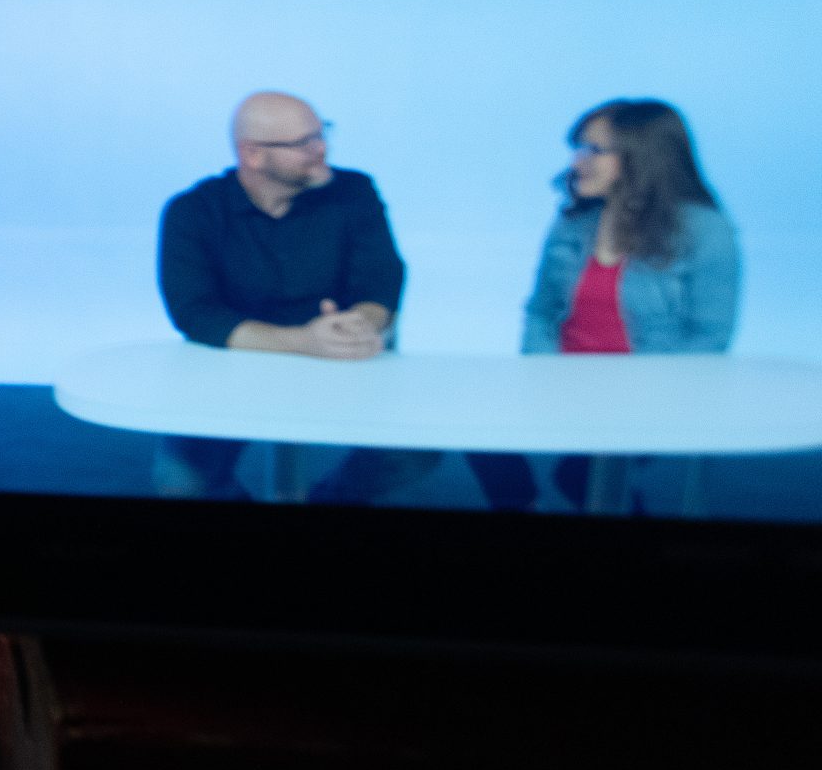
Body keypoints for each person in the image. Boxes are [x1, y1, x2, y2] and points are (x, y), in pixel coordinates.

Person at [153, 92, 439, 504]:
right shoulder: (192, 212)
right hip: (236, 365)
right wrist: (302, 342)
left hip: (344, 360)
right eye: (303, 143)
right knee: (181, 480)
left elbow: (381, 278)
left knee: (413, 454)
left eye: (321, 135)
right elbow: (194, 311)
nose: (321, 149)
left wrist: (362, 323)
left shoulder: (354, 191)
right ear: (252, 154)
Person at [468, 99, 741, 511]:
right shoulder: (575, 222)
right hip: (564, 384)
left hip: (648, 396)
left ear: (641, 156)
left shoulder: (705, 230)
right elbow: (541, 311)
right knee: (474, 424)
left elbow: (709, 339)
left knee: (580, 478)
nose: (578, 161)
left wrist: (642, 397)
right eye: (578, 149)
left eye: (594, 150)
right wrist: (542, 373)